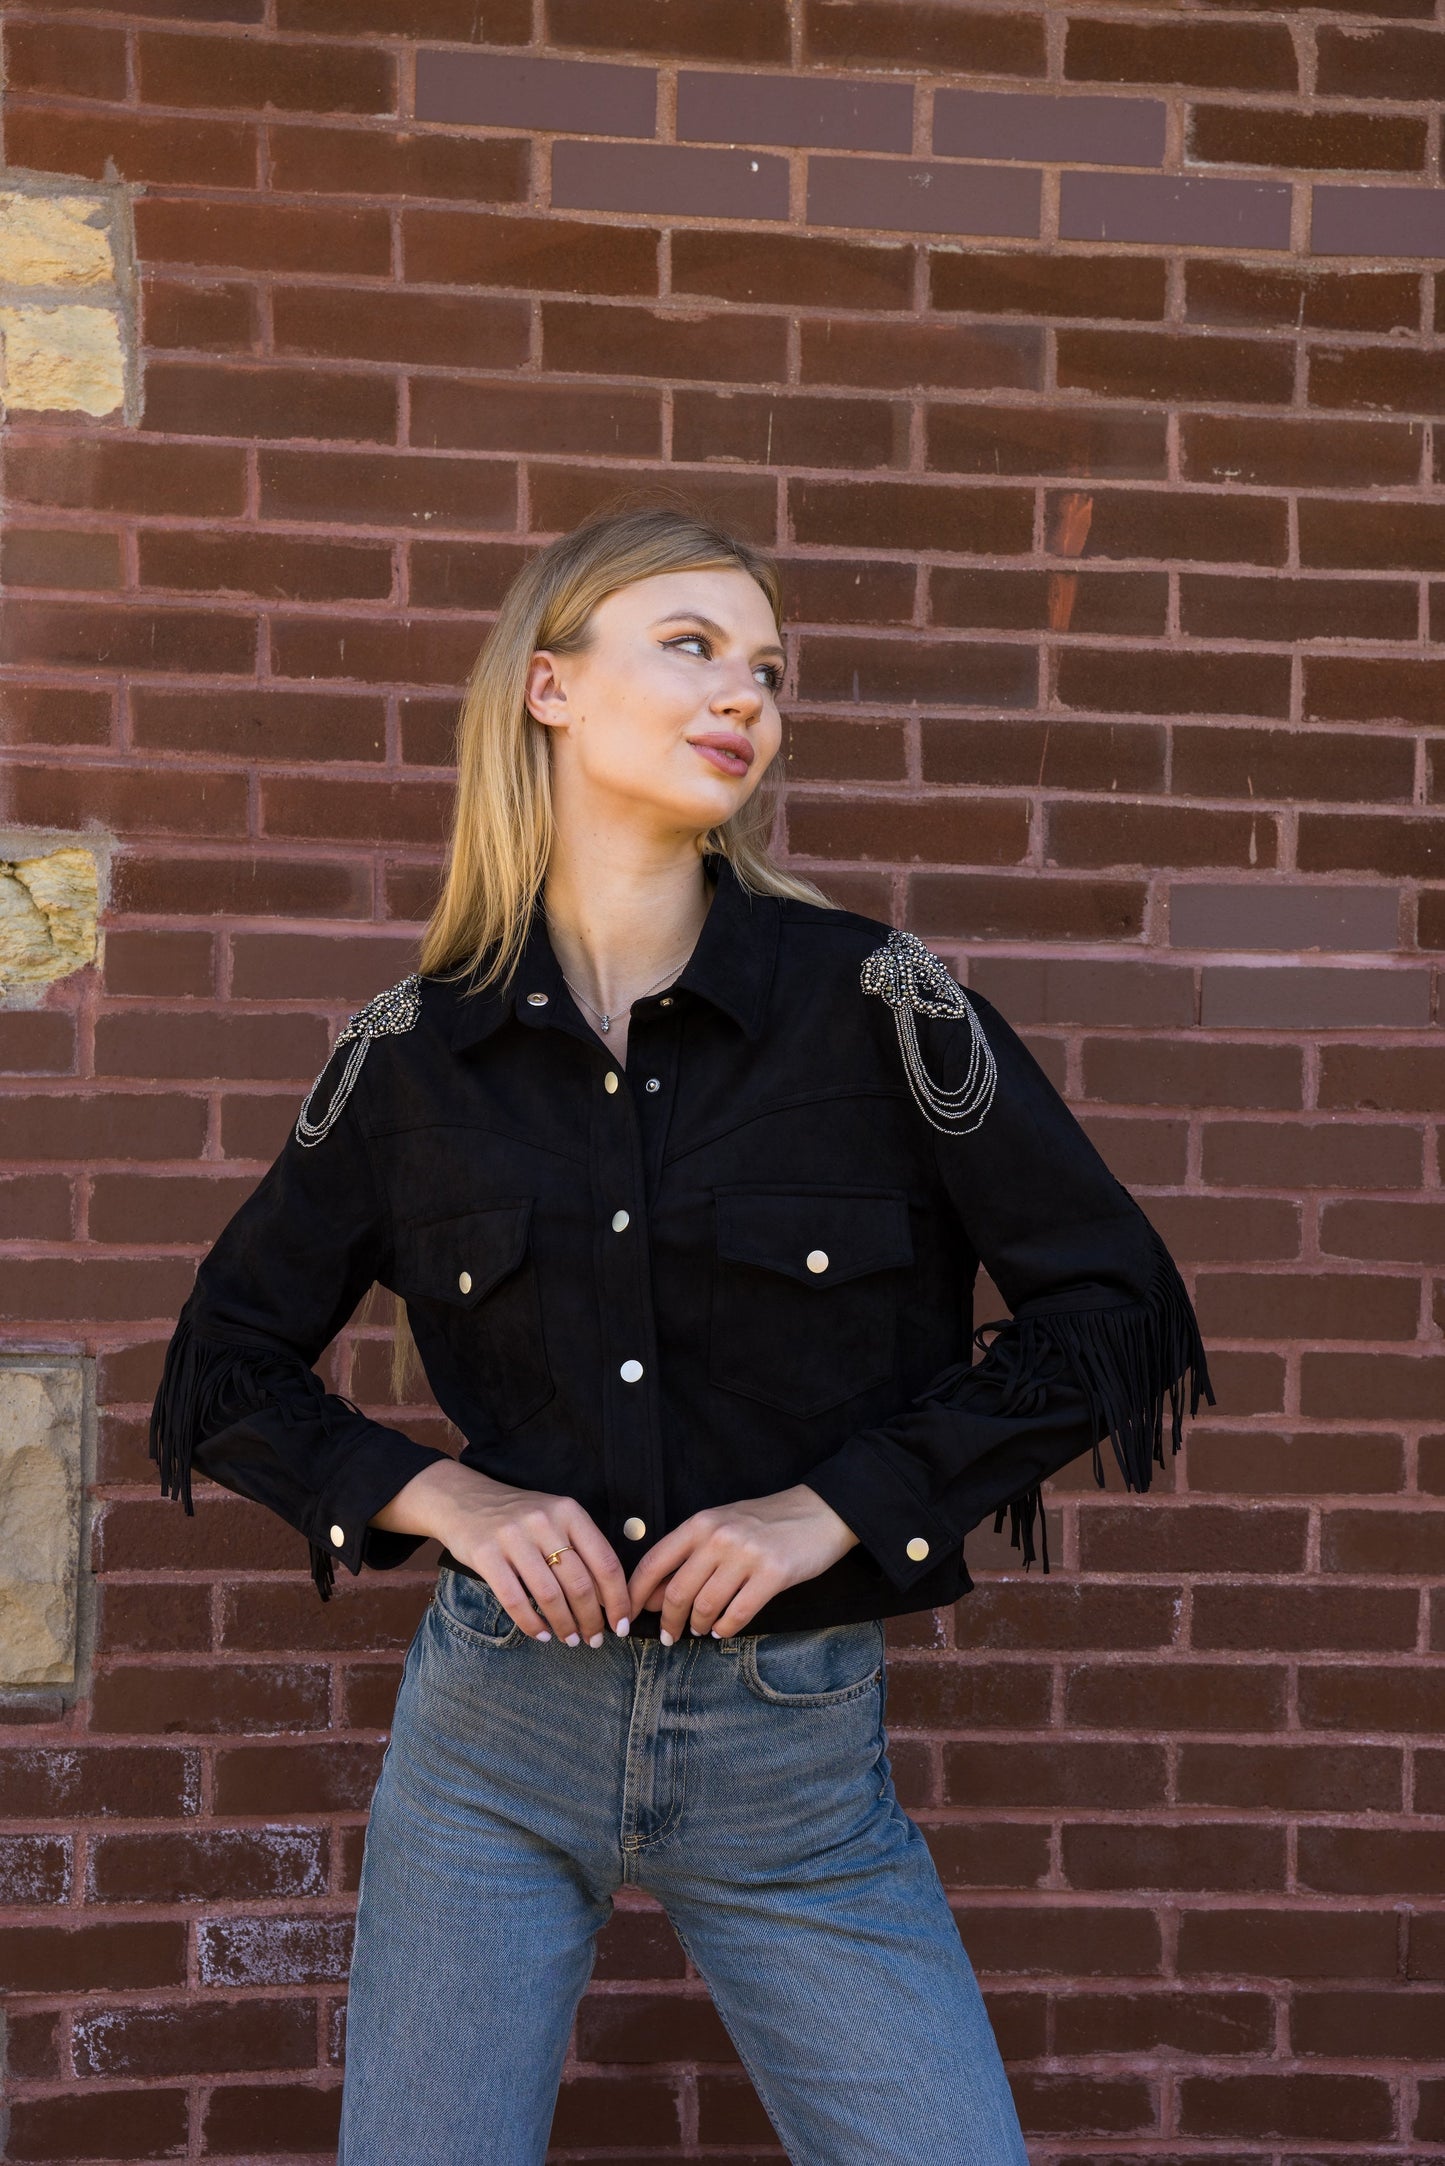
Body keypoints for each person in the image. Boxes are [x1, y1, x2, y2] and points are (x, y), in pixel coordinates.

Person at [149, 501, 1211, 2166]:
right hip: (492, 1741)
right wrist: (445, 1499)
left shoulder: (880, 1004)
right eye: (694, 647)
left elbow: (1117, 1306)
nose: (749, 699)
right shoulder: (410, 1054)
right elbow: (219, 1367)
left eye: (771, 671)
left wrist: (840, 1503)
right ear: (549, 687)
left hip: (792, 1758)